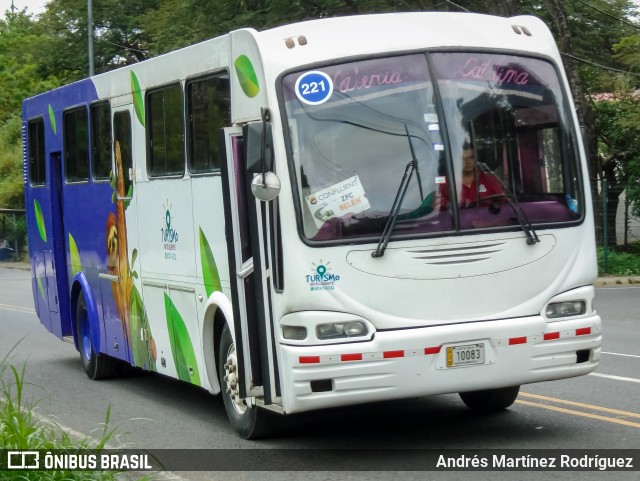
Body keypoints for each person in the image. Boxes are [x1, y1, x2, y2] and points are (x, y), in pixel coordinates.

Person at [439, 145, 503, 210]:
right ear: (456, 161)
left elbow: (503, 205)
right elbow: (442, 213)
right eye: (463, 158)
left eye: (471, 157)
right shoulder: (447, 184)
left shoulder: (489, 180)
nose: (468, 162)